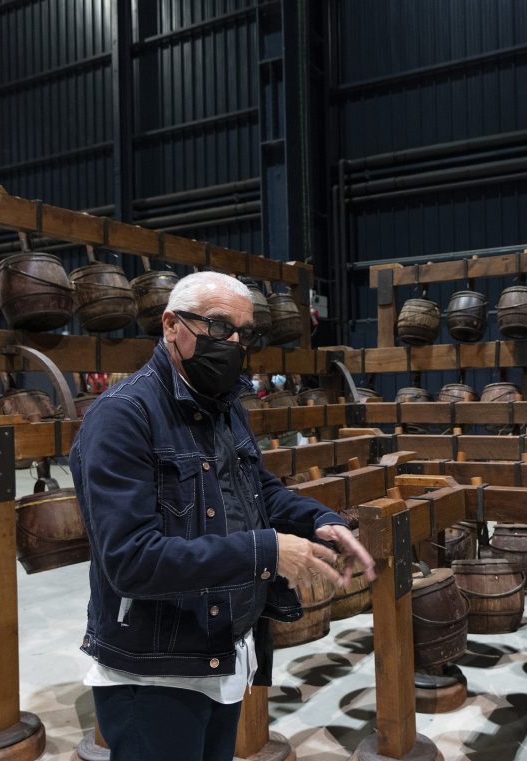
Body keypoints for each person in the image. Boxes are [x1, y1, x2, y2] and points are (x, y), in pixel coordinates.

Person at [71, 270, 375, 761]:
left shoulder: (225, 404)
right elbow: (130, 560)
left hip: (227, 652)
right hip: (157, 671)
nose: (232, 342)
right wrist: (267, 551)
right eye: (216, 327)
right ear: (171, 325)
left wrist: (319, 518)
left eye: (243, 332)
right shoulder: (122, 416)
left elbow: (256, 489)